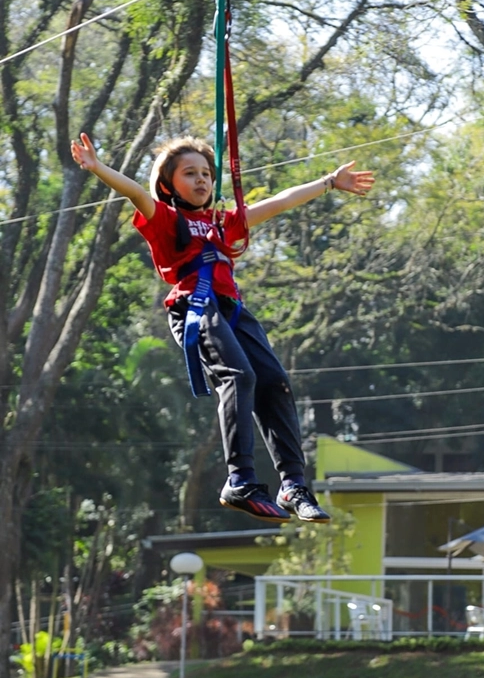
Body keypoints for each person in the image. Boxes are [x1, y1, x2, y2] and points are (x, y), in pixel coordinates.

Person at [71, 132, 374, 523]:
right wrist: (98, 168)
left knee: (274, 381)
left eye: (206, 175)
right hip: (195, 307)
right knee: (238, 375)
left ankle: (293, 485)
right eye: (190, 174)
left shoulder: (222, 222)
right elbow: (137, 194)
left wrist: (329, 182)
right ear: (168, 184)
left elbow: (279, 202)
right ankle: (240, 480)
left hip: (232, 309)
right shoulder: (167, 220)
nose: (201, 181)